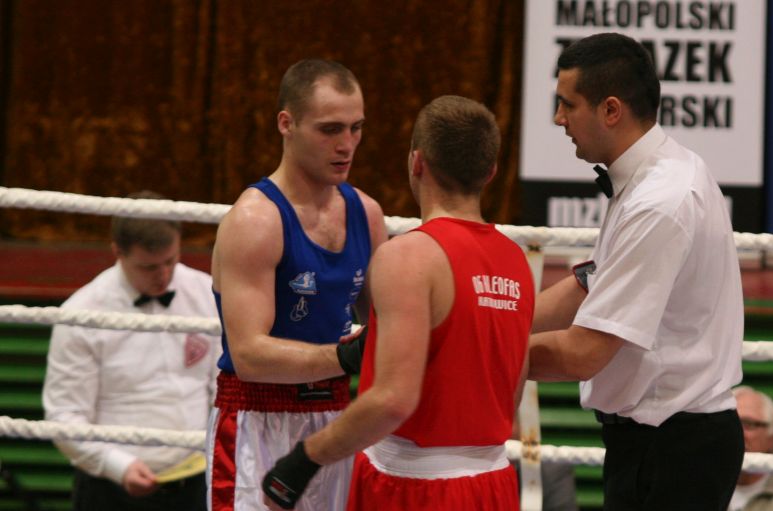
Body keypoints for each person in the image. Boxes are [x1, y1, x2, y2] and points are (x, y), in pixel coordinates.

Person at [260, 95, 535, 510]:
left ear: (417, 162)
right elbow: (511, 389)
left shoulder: (408, 256)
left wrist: (304, 460)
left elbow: (393, 400)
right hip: (493, 482)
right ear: (491, 171)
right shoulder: (515, 260)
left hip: (412, 485)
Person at [527, 32, 745, 510]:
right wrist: (492, 320)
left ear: (611, 110)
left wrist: (478, 352)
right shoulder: (661, 173)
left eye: (567, 104)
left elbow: (586, 351)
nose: (559, 118)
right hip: (662, 440)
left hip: (674, 447)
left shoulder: (660, 201)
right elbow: (590, 284)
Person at [207, 58, 387, 511]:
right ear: (286, 124)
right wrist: (344, 356)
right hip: (257, 420)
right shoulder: (255, 220)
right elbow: (248, 356)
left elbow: (384, 326)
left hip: (337, 420)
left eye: (356, 128)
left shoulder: (366, 214)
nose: (347, 145)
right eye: (330, 130)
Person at [43, 190, 221, 511]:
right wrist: (117, 465)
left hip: (197, 480)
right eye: (148, 267)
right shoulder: (81, 313)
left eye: (170, 261)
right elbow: (64, 415)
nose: (163, 276)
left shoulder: (205, 293)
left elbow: (222, 388)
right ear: (118, 252)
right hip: (110, 489)